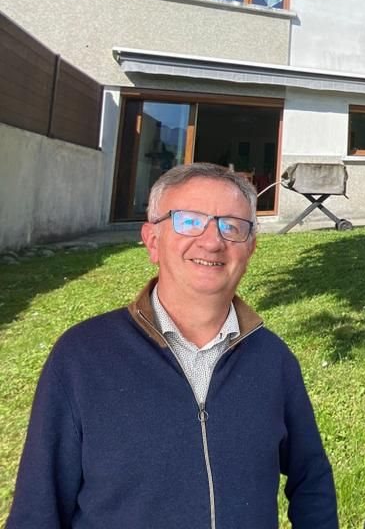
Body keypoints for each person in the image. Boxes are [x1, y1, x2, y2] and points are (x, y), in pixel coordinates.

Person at [6, 163, 338, 529]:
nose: (212, 241)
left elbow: (312, 478)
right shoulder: (82, 357)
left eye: (231, 226)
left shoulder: (273, 360)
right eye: (190, 221)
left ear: (250, 249)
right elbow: (37, 509)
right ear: (152, 240)